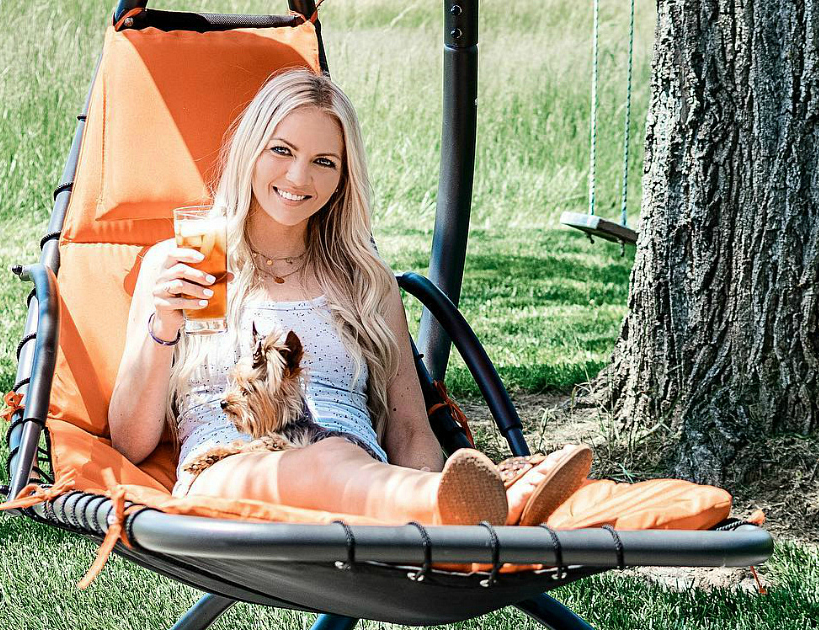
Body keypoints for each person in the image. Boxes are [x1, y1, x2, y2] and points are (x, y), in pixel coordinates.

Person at [107, 68, 590, 526]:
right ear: (249, 151)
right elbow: (129, 442)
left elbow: (410, 431)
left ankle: (440, 503)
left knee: (334, 453)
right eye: (281, 150)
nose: (299, 178)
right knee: (320, 459)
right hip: (231, 470)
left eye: (324, 161)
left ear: (343, 177)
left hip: (359, 476)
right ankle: (486, 503)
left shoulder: (362, 280)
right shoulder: (184, 264)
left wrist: (423, 473)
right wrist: (164, 323)